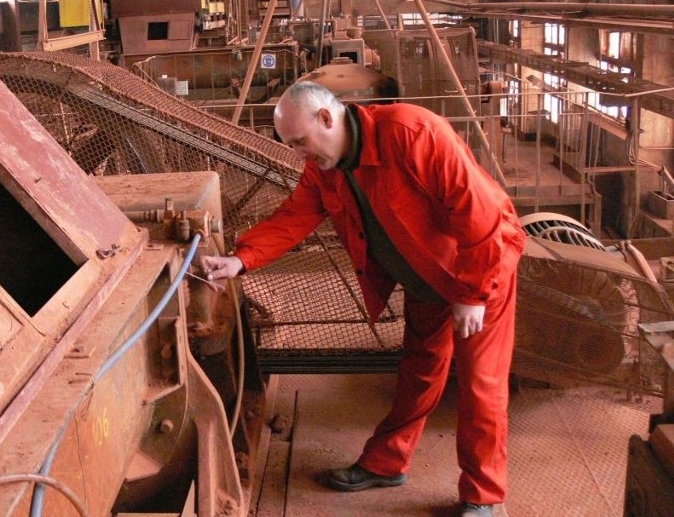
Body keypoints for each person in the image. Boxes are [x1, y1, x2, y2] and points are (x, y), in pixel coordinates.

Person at [200, 81, 526, 517]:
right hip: (425, 278)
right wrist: (241, 259)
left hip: (481, 271)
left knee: (479, 384)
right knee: (419, 372)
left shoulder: (413, 133)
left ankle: (482, 496)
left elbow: (479, 215)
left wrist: (472, 295)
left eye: (300, 142)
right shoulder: (325, 167)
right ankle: (388, 463)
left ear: (327, 118)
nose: (299, 154)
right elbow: (295, 216)